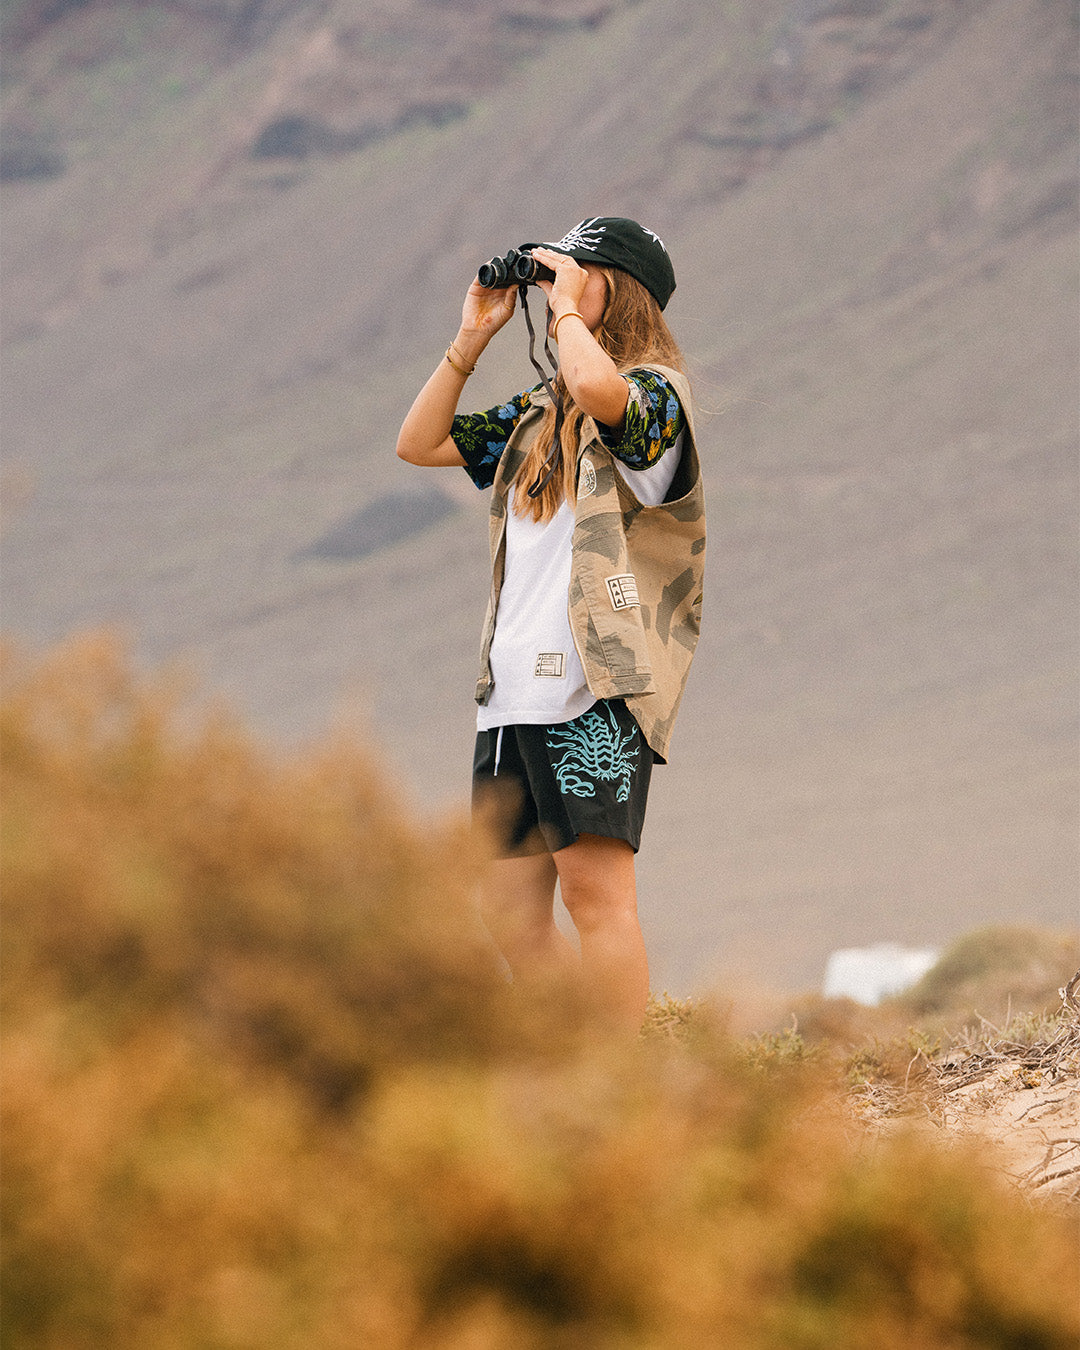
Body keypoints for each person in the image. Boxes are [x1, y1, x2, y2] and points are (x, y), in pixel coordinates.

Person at [396, 217, 705, 1032]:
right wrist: (471, 338)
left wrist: (566, 309)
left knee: (595, 895)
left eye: (581, 271)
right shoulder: (540, 415)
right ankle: (570, 1061)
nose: (559, 284)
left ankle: (619, 1086)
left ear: (622, 288)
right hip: (508, 690)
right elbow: (418, 442)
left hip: (590, 684)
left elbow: (604, 393)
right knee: (508, 910)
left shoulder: (655, 400)